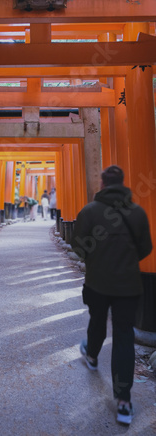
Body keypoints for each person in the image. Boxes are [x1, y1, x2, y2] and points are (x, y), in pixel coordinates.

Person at [71, 165, 152, 425]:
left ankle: (92, 355)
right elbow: (146, 248)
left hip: (97, 283)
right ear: (123, 183)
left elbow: (78, 245)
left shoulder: (89, 211)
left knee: (97, 321)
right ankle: (124, 402)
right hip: (129, 285)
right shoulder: (137, 212)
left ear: (103, 184)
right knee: (124, 337)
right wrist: (126, 262)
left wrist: (95, 260)